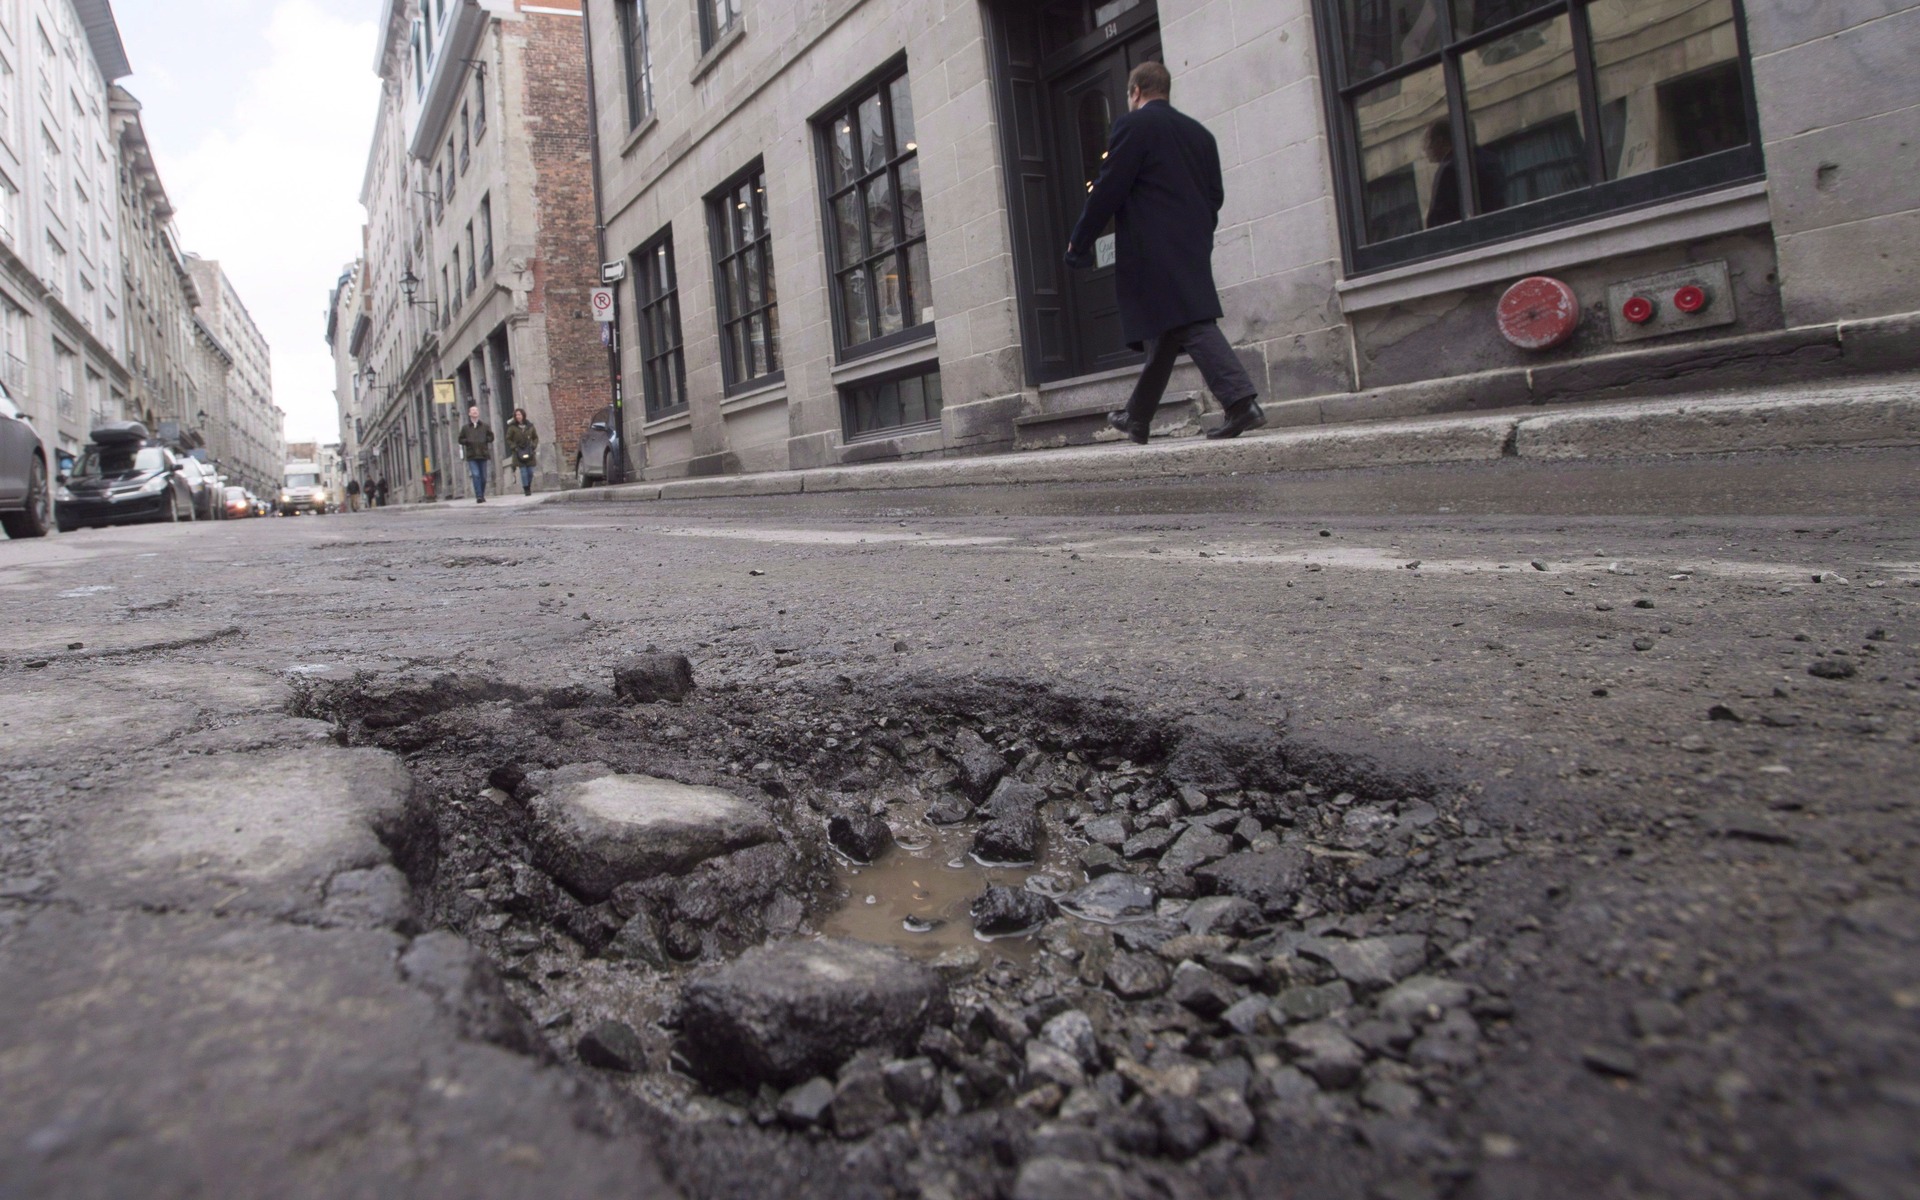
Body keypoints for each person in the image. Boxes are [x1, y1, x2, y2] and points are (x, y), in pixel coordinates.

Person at [1065, 61, 1263, 444]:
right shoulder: (1200, 135)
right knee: (1168, 326)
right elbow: (1215, 197)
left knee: (1190, 321)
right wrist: (1196, 232)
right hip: (1192, 242)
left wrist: (1080, 240)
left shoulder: (1133, 126)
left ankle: (1240, 402)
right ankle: (1137, 417)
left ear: (1136, 91)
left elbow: (1109, 188)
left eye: (1129, 95)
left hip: (1153, 246)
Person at [1423, 118, 1505, 229]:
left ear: (1440, 141)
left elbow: (1438, 221)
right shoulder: (1491, 159)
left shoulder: (1449, 169)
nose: (1425, 149)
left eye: (1427, 142)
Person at [457, 405, 495, 503]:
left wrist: (485, 440)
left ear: (478, 413)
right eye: (472, 410)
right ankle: (478, 495)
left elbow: (491, 437)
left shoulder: (485, 426)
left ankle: (481, 494)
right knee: (475, 474)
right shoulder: (465, 428)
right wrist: (468, 441)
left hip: (483, 454)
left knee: (483, 477)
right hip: (472, 455)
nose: (475, 412)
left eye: (476, 410)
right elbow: (460, 439)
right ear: (469, 414)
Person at [504, 408, 539, 496]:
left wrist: (533, 445)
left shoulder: (530, 426)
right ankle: (526, 488)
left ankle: (528, 485)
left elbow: (535, 437)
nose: (518, 416)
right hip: (518, 452)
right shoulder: (512, 427)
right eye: (516, 415)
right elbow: (508, 438)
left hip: (529, 450)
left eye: (519, 414)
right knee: (523, 471)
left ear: (523, 415)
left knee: (530, 471)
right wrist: (514, 447)